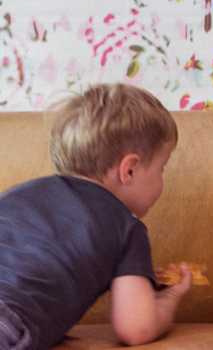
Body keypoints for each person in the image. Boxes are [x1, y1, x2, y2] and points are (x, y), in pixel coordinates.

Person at [0, 84, 193, 350]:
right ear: (130, 170)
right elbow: (136, 328)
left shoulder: (17, 193)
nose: (162, 178)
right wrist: (169, 299)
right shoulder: (126, 228)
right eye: (162, 168)